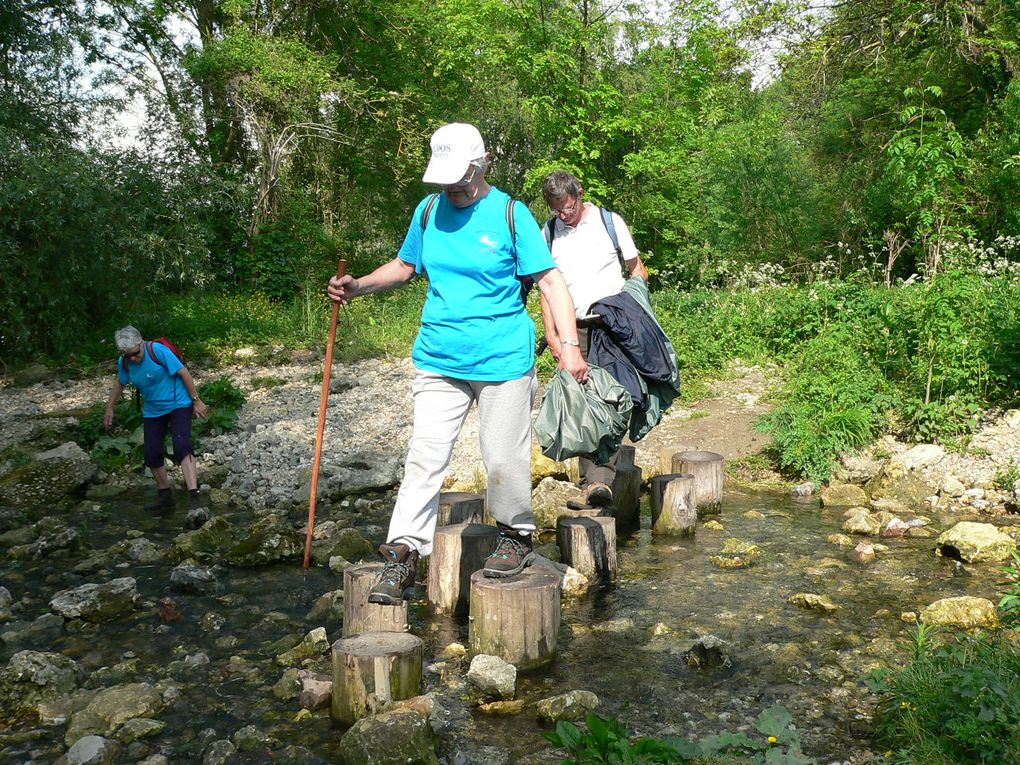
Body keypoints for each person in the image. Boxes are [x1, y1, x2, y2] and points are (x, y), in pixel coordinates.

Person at [328, 122, 587, 605]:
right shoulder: (428, 211)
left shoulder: (511, 214)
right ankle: (403, 554)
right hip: (438, 358)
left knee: (502, 456)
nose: (454, 188)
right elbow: (406, 267)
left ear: (482, 163)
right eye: (446, 179)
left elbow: (550, 282)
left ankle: (515, 535)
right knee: (424, 456)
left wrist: (568, 347)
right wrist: (358, 285)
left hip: (503, 359)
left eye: (462, 178)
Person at [539, 170, 650, 508]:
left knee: (618, 398)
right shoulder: (547, 233)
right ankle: (595, 483)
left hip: (615, 325)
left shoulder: (609, 222)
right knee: (583, 403)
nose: (563, 215)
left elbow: (637, 269)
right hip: (574, 329)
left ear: (580, 194)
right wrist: (552, 334)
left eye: (568, 208)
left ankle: (598, 479)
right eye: (557, 210)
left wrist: (639, 311)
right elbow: (545, 287)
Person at [104, 326, 208, 512]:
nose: (132, 359)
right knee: (151, 453)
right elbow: (120, 383)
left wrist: (196, 401)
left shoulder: (157, 351)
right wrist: (109, 408)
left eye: (135, 354)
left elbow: (183, 373)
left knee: (181, 445)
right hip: (153, 409)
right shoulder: (125, 361)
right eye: (128, 356)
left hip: (179, 403)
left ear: (140, 343)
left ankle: (194, 495)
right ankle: (165, 495)